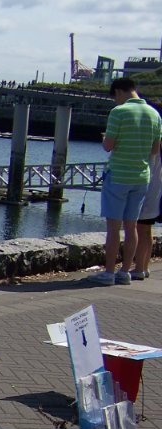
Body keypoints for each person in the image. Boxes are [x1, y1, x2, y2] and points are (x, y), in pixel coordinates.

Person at [90, 77, 162, 285]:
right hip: (141, 177)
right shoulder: (154, 114)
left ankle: (109, 273)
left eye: (115, 98)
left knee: (113, 228)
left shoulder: (119, 113)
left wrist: (106, 138)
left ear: (119, 92)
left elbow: (109, 145)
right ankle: (125, 272)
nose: (116, 102)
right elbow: (155, 150)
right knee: (131, 227)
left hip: (119, 175)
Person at [133, 146, 162, 280]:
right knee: (147, 228)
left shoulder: (153, 146)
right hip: (156, 187)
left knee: (141, 227)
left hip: (148, 186)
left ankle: (139, 268)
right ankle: (144, 267)